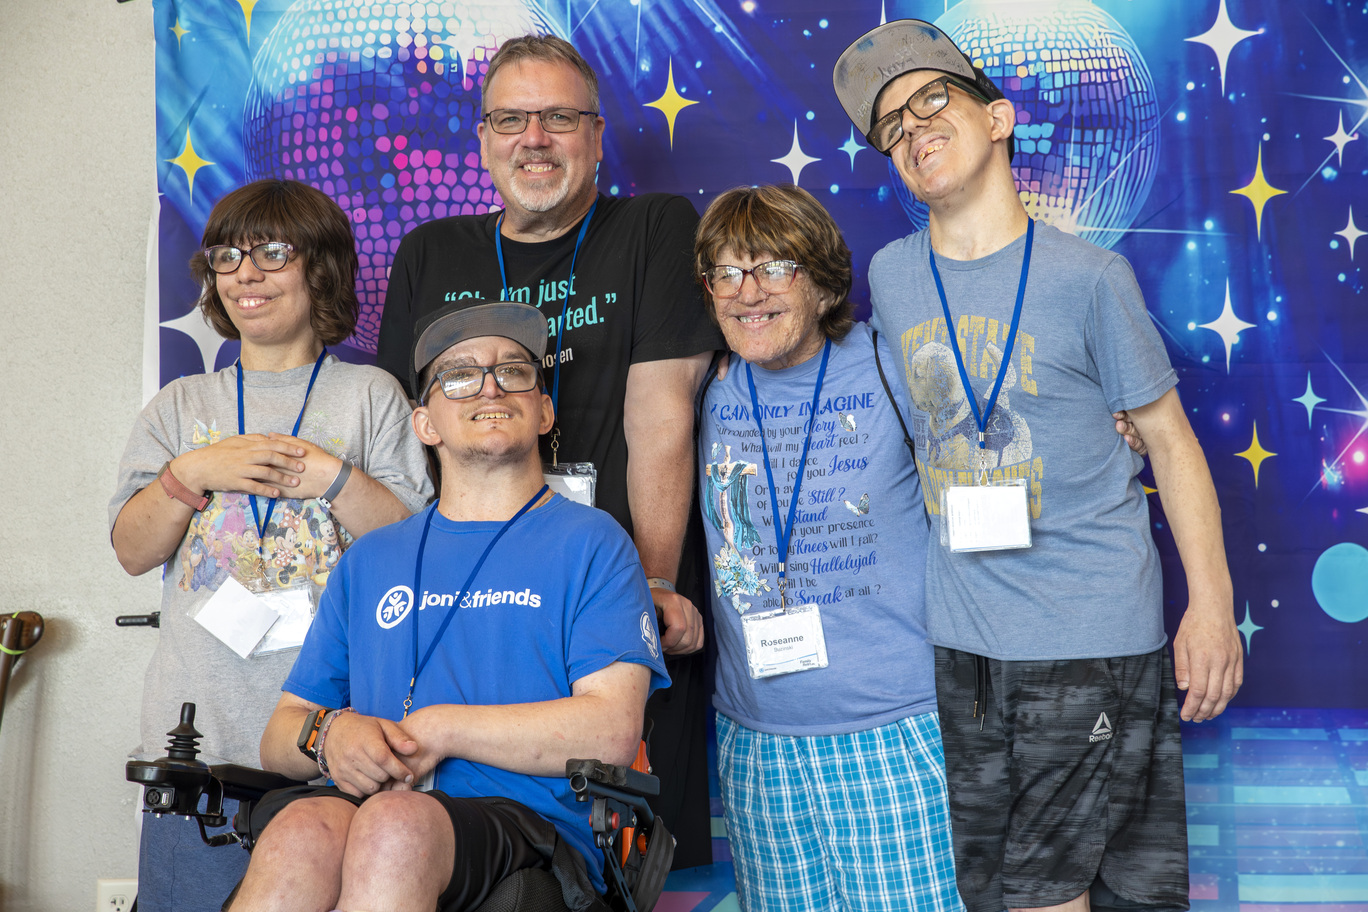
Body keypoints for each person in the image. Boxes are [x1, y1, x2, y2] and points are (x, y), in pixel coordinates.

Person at [834, 20, 1243, 912]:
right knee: (998, 890)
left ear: (999, 118)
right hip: (963, 645)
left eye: (932, 99)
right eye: (893, 127)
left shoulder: (1091, 278)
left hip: (1086, 636)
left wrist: (1212, 607)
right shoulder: (893, 277)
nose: (914, 130)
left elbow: (1169, 439)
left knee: (1051, 895)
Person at [375, 33, 722, 866]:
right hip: (460, 616)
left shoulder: (652, 227)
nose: (534, 138)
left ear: (598, 135)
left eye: (559, 117)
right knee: (437, 840)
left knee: (609, 851)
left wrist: (655, 584)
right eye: (511, 119)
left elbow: (661, 416)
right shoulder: (430, 252)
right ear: (484, 137)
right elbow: (406, 442)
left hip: (606, 599)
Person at [226, 301, 669, 912]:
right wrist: (328, 733)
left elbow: (612, 731)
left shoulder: (593, 542)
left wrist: (441, 728)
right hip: (369, 801)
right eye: (459, 376)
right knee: (299, 831)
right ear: (424, 424)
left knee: (396, 825)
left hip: (525, 827)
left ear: (544, 410)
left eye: (515, 371)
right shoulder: (371, 560)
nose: (490, 385)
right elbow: (280, 738)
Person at [109, 178, 434, 912]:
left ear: (319, 268)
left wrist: (333, 478)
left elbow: (418, 553)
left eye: (271, 253)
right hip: (198, 740)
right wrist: (190, 473)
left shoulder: (372, 395)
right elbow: (131, 550)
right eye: (227, 257)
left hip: (334, 739)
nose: (245, 276)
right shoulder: (181, 406)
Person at [693, 184, 963, 912]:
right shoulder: (700, 385)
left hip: (895, 730)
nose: (747, 293)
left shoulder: (889, 364)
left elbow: (1003, 447)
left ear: (822, 282)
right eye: (726, 272)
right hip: (756, 742)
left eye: (773, 266)